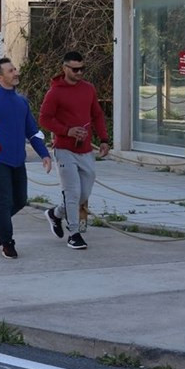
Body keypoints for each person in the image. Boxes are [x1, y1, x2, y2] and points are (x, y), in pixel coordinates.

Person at [0, 58, 52, 259]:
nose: (15, 72)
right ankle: (7, 242)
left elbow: (32, 131)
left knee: (21, 200)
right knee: (6, 200)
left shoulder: (22, 101)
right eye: (11, 70)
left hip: (18, 160)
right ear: (0, 78)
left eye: (15, 69)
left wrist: (44, 153)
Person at [39, 51, 110, 250]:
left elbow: (97, 114)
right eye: (75, 69)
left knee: (83, 194)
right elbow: (44, 119)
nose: (79, 72)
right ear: (65, 68)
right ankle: (74, 234)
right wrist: (67, 131)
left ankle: (56, 214)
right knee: (72, 192)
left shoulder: (88, 89)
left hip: (86, 150)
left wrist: (104, 139)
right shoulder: (55, 92)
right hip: (64, 150)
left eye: (82, 69)